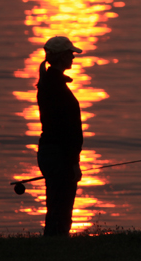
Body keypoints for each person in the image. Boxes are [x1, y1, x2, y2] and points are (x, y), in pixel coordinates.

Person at [37, 36, 84, 236]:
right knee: (61, 210)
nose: (73, 58)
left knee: (57, 206)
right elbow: (65, 130)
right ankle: (55, 247)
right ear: (62, 57)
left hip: (51, 152)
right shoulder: (55, 87)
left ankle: (54, 246)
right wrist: (73, 162)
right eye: (70, 54)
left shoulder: (49, 83)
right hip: (59, 155)